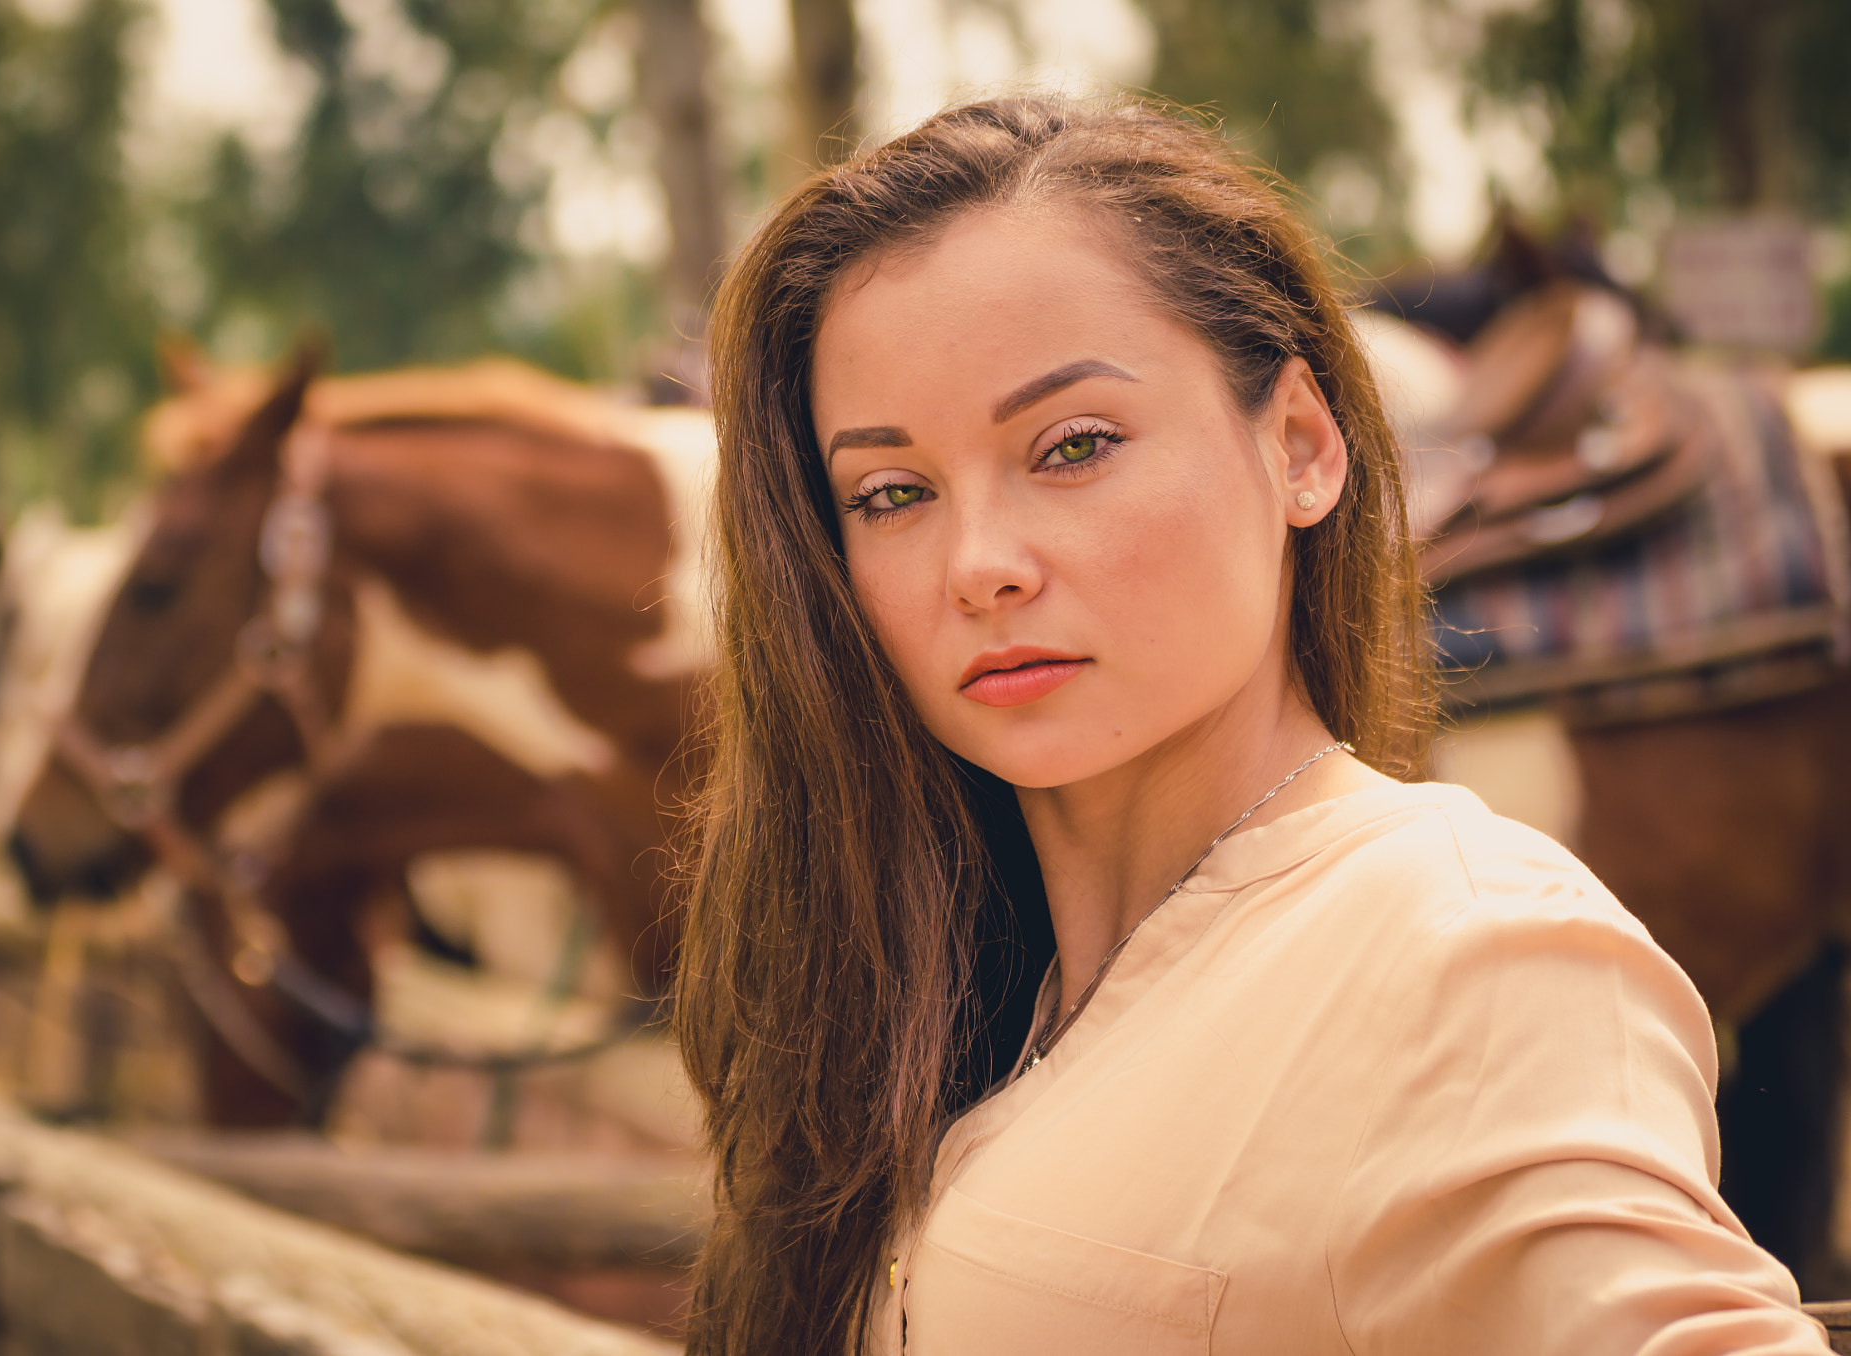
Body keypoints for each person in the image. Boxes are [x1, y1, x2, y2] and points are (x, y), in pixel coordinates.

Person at [672, 93, 1830, 1356]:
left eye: (1071, 446)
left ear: (1297, 446)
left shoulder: (1464, 952)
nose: (978, 564)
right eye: (891, 492)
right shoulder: (932, 974)